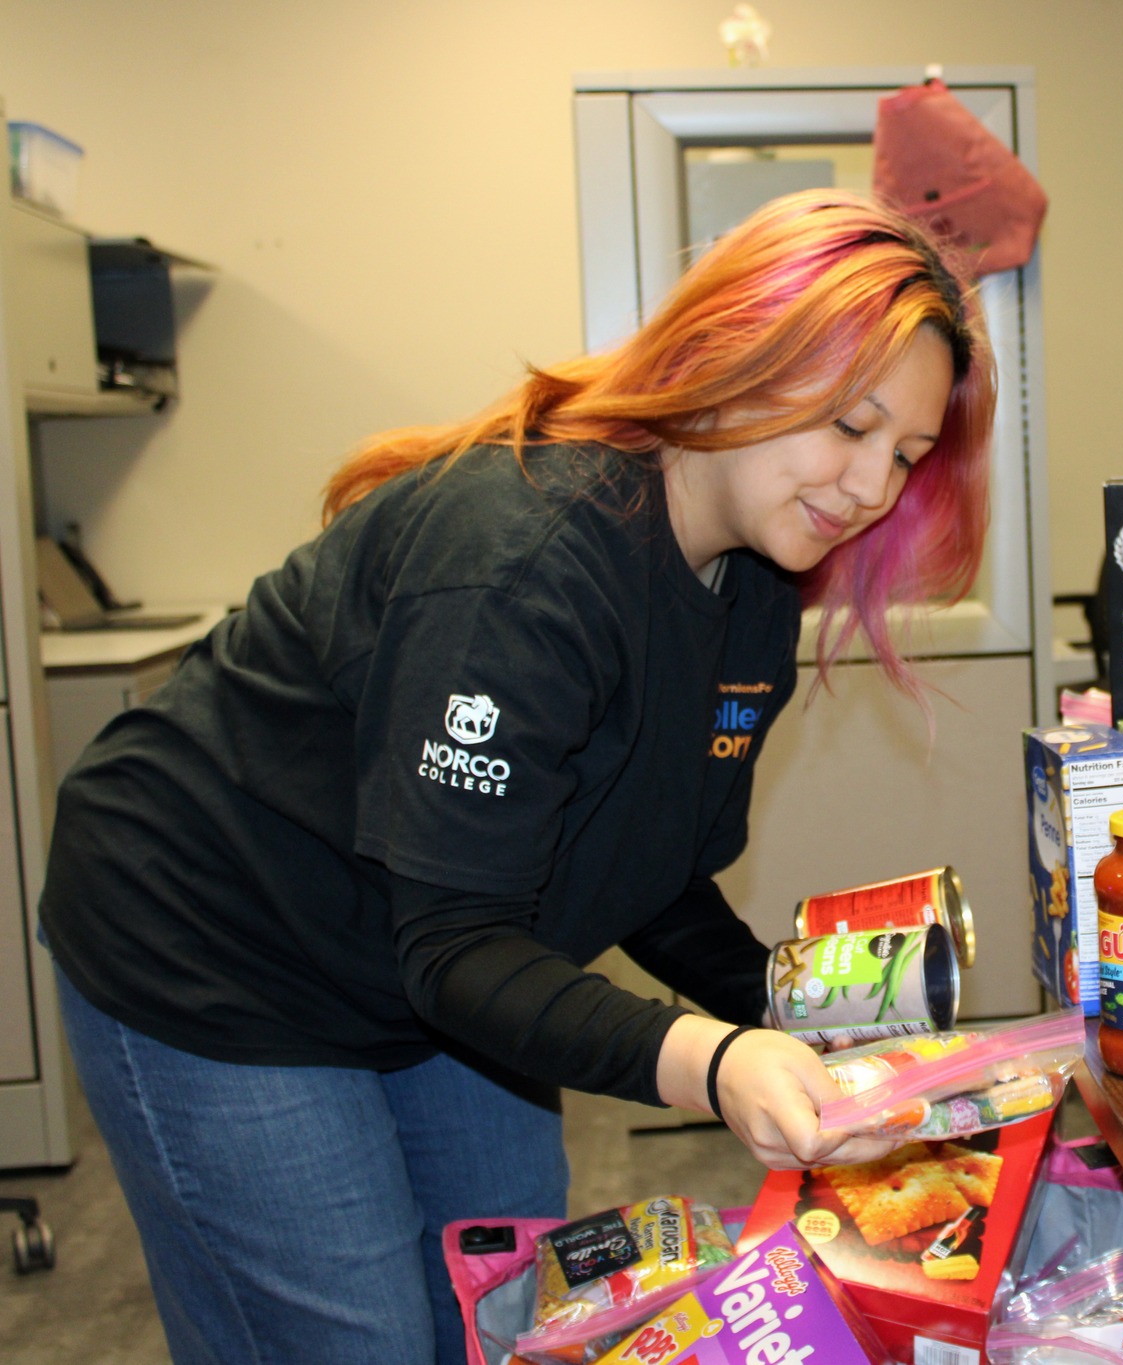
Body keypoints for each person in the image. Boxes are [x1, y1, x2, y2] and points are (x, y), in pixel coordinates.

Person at [35, 190, 994, 1365]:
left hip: (436, 961)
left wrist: (792, 1015)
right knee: (357, 1343)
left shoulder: (750, 585)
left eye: (901, 456)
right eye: (848, 427)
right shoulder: (525, 558)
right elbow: (453, 942)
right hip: (220, 948)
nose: (869, 490)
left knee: (508, 1315)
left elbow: (644, 870)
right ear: (732, 357)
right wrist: (713, 1060)